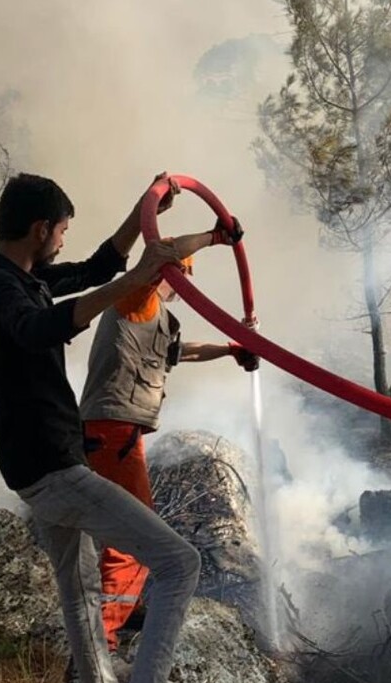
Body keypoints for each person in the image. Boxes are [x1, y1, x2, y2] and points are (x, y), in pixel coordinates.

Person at [0, 172, 213, 683]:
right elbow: (39, 329)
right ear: (39, 229)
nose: (62, 242)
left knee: (79, 589)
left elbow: (98, 266)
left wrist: (144, 212)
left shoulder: (21, 275)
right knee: (179, 563)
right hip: (51, 465)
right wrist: (135, 277)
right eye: (61, 232)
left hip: (37, 462)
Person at [78, 217, 257, 654]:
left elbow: (182, 351)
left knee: (136, 526)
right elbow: (166, 250)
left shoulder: (154, 316)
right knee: (135, 537)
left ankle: (125, 609)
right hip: (112, 428)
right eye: (182, 275)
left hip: (118, 430)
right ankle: (102, 642)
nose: (183, 284)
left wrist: (233, 350)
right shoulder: (137, 297)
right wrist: (217, 237)